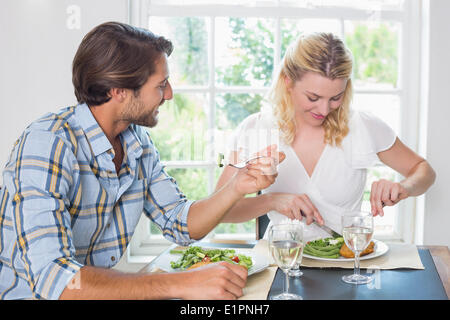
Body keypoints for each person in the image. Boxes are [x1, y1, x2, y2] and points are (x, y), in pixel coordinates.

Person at [0, 21, 284, 300]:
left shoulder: (137, 142)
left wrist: (237, 185)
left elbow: (180, 223)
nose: (170, 94)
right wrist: (178, 283)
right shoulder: (48, 143)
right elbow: (58, 280)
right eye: (161, 85)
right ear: (119, 90)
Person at [216, 32, 436, 241]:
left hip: (347, 261)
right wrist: (272, 201)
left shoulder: (363, 125)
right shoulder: (255, 129)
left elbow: (424, 171)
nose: (324, 109)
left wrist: (403, 188)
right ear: (288, 81)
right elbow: (221, 210)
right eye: (313, 97)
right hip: (282, 258)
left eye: (335, 97)